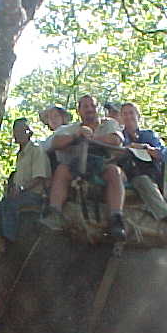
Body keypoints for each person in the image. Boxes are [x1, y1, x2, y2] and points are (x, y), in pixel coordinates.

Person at [39, 94, 128, 241]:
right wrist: (76, 136)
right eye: (85, 106)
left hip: (103, 165)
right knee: (62, 170)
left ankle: (116, 217)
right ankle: (54, 212)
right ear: (79, 110)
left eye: (92, 106)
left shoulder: (109, 123)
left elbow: (116, 139)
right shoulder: (71, 128)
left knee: (114, 171)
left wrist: (91, 139)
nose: (90, 109)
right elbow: (55, 143)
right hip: (78, 167)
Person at [119, 102, 167, 234]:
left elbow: (162, 153)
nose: (128, 116)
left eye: (131, 113)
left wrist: (147, 149)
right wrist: (129, 148)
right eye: (125, 113)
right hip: (134, 179)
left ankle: (155, 224)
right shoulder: (120, 136)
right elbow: (116, 151)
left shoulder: (149, 135)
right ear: (121, 117)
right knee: (142, 181)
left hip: (157, 179)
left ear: (138, 116)